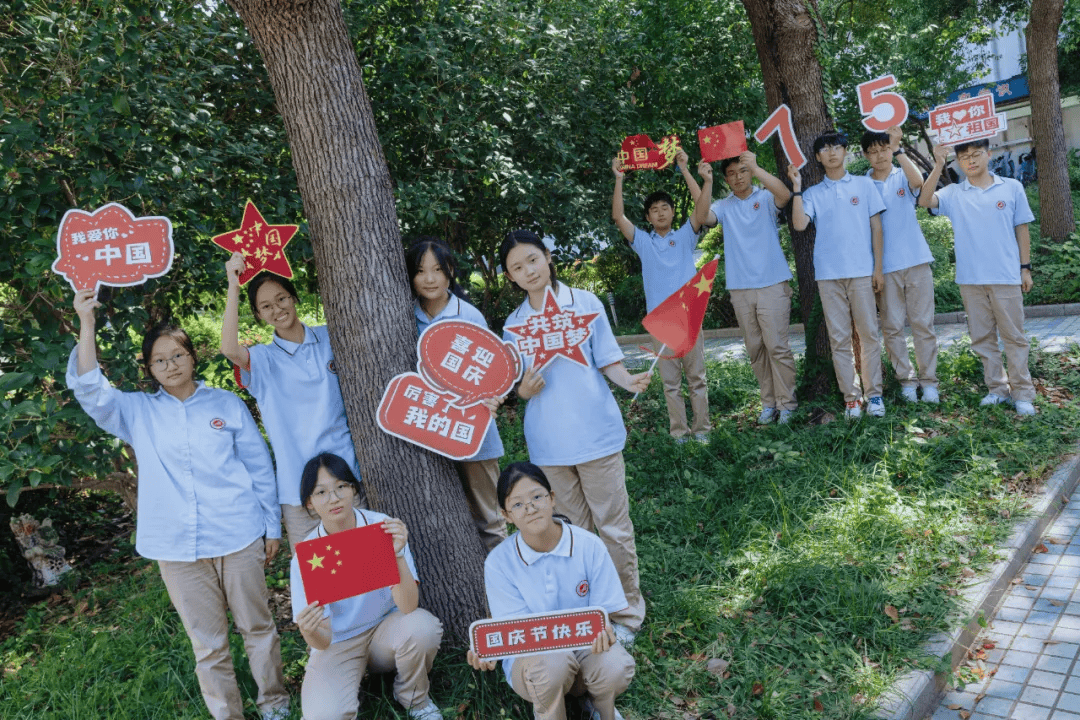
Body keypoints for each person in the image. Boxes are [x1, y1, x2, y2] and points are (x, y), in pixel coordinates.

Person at [66, 289, 289, 720]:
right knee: (208, 644)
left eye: (178, 355)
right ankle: (228, 714)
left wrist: (272, 526)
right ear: (149, 369)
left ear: (192, 357)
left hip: (239, 535)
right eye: (160, 360)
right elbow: (91, 390)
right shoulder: (136, 412)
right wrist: (86, 321)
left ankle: (275, 703)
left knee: (258, 627)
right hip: (176, 549)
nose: (171, 365)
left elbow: (258, 467)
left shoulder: (225, 404)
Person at [499, 230, 650, 644]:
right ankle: (592, 614)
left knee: (613, 528)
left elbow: (608, 359)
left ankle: (627, 614)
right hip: (548, 445)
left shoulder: (584, 302)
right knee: (573, 533)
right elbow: (514, 386)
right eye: (516, 267)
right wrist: (521, 393)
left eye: (532, 259)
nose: (528, 271)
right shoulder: (514, 325)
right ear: (510, 277)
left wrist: (628, 381)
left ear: (548, 257)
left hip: (597, 435)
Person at [467, 463, 635, 720]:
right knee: (552, 664)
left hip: (584, 646)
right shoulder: (499, 562)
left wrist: (606, 633)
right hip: (534, 660)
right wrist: (489, 651)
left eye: (537, 497)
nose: (531, 508)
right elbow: (514, 631)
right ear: (506, 515)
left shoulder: (589, 545)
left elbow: (602, 615)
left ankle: (600, 707)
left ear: (552, 498)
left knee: (614, 666)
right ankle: (551, 713)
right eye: (518, 504)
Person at [221, 253, 363, 547]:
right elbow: (230, 349)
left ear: (294, 298)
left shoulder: (331, 338)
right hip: (299, 491)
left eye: (282, 298)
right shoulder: (263, 359)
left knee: (368, 568)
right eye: (266, 306)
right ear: (258, 315)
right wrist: (233, 287)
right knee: (323, 585)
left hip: (348, 479)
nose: (277, 309)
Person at [290, 453, 443, 720]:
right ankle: (347, 686)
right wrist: (309, 631)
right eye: (322, 492)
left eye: (341, 487)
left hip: (386, 631)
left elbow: (408, 606)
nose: (334, 498)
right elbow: (322, 641)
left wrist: (396, 555)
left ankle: (414, 698)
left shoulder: (381, 527)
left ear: (353, 489)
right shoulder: (307, 555)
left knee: (422, 627)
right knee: (323, 715)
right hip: (338, 643)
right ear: (310, 503)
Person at [918, 139, 1037, 416]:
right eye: (964, 158)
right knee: (982, 338)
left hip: (1006, 276)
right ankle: (996, 389)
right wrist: (937, 164)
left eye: (976, 155)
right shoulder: (953, 193)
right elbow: (924, 200)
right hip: (970, 279)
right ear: (958, 162)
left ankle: (1022, 394)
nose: (970, 161)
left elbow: (1022, 229)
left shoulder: (1011, 187)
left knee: (1014, 337)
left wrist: (1025, 268)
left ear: (988, 154)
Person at [405, 237, 507, 551]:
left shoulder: (469, 315)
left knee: (489, 519)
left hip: (473, 432)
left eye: (438, 269)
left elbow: (494, 373)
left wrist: (495, 397)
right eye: (421, 271)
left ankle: (504, 584)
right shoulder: (404, 316)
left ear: (450, 270)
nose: (430, 278)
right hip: (429, 430)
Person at [611, 150, 712, 443]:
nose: (660, 212)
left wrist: (688, 171)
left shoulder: (685, 235)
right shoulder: (642, 241)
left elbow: (702, 210)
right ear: (648, 217)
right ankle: (679, 433)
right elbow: (618, 216)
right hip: (661, 321)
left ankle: (703, 431)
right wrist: (619, 179)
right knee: (670, 383)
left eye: (665, 207)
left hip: (689, 317)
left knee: (697, 379)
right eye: (654, 209)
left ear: (672, 211)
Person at [692, 150, 797, 424]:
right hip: (740, 288)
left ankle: (787, 404)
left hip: (772, 282)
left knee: (777, 347)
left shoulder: (764, 197)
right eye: (731, 173)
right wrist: (706, 181)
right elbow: (702, 217)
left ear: (750, 172)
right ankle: (769, 403)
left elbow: (785, 196)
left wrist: (757, 166)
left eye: (742, 171)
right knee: (756, 348)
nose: (737, 177)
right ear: (726, 178)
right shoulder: (723, 206)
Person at [789, 130, 888, 419]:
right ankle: (851, 399)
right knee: (839, 338)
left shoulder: (864, 185)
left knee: (869, 334)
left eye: (836, 147)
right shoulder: (812, 193)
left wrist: (878, 269)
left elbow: (877, 228)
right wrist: (796, 187)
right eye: (825, 149)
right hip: (829, 276)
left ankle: (875, 396)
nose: (831, 153)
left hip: (861, 273)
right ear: (818, 157)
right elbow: (798, 224)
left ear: (845, 151)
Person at [862, 125, 940, 404]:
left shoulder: (901, 173)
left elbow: (919, 183)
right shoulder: (862, 185)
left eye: (883, 149)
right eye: (873, 152)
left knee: (923, 324)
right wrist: (875, 269)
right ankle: (906, 381)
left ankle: (929, 382)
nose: (879, 156)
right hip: (884, 267)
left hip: (917, 259)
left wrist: (898, 150)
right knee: (892, 327)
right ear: (865, 156)